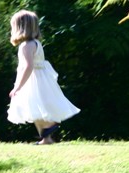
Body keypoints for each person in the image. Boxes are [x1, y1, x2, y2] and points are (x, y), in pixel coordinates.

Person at [7, 10, 80, 145]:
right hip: (42, 77)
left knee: (34, 106)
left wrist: (17, 87)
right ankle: (46, 138)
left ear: (19, 28)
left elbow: (28, 66)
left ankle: (50, 125)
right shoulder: (36, 43)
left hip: (32, 79)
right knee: (36, 108)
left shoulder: (26, 46)